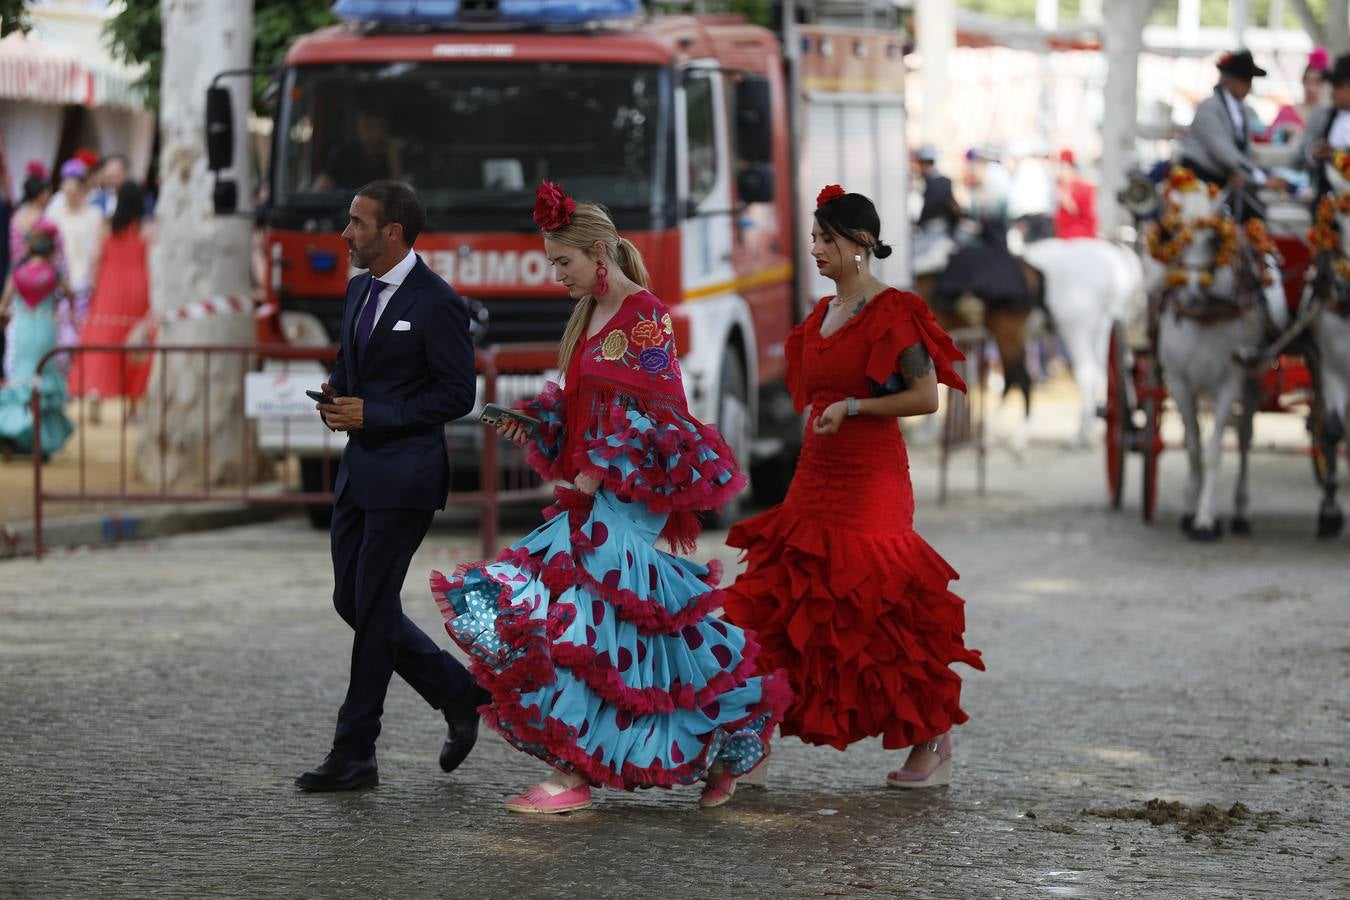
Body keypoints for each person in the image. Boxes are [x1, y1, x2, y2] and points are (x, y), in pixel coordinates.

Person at [429, 181, 787, 814]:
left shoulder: (646, 313)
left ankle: (575, 776)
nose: (556, 276)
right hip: (593, 489)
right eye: (551, 264)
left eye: (562, 263)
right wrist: (541, 426)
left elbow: (661, 417)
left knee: (577, 615)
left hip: (628, 491)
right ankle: (734, 723)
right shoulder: (586, 315)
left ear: (598, 252)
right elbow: (591, 406)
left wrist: (598, 468)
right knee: (627, 623)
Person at [723, 185, 984, 788]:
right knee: (780, 601)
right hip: (814, 480)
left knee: (878, 610)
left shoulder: (893, 311)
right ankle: (753, 735)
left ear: (858, 245)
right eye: (814, 239)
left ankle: (932, 736)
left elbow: (925, 398)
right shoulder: (819, 315)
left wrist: (856, 407)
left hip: (871, 485)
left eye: (824, 239)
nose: (814, 250)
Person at [295, 180, 486, 792]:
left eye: (357, 222)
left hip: (407, 476)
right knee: (351, 603)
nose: (345, 233)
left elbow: (458, 395)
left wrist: (375, 415)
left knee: (373, 608)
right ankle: (460, 693)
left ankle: (355, 751)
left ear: (393, 232)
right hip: (358, 472)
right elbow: (350, 368)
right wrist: (334, 397)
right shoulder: (356, 290)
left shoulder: (438, 302)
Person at [66, 182, 153, 420]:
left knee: (102, 339)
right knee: (136, 346)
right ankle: (133, 408)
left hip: (109, 288)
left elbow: (95, 260)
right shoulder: (147, 229)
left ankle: (95, 391)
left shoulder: (106, 227)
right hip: (138, 289)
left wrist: (94, 287)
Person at [1177, 49, 1288, 218]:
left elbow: (1244, 151)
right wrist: (1260, 178)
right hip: (1197, 184)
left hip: (1226, 184)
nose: (1249, 86)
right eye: (1246, 80)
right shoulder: (1208, 108)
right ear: (1231, 81)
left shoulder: (1243, 110)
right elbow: (1223, 151)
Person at [0, 220, 74, 459]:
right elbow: (70, 294)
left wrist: (6, 320)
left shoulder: (17, 273)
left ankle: (10, 434)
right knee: (43, 383)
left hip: (22, 331)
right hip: (45, 331)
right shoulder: (54, 273)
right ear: (51, 252)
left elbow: (3, 305)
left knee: (21, 382)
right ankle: (41, 442)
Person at [7, 162, 60, 382]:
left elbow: (13, 253)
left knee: (19, 338)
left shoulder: (15, 218)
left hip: (18, 280)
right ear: (40, 194)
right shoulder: (46, 222)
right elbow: (58, 256)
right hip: (43, 281)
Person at [46, 158, 105, 355]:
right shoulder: (54, 214)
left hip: (85, 284)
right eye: (66, 191)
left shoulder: (95, 215)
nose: (69, 196)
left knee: (82, 336)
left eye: (73, 191)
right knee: (60, 338)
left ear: (82, 190)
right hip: (60, 284)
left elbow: (98, 250)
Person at [1296, 53, 1350, 203]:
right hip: (1324, 199)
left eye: (1339, 87)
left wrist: (1336, 155)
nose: (1333, 92)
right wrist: (1314, 154)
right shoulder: (1320, 116)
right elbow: (1301, 156)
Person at [313, 110, 403, 191]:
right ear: (358, 128)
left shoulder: (391, 156)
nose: (375, 134)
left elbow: (399, 196)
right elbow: (320, 190)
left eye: (379, 127)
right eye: (368, 127)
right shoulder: (343, 153)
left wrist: (394, 160)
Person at [1266, 47, 1330, 146]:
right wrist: (1283, 130)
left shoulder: (1329, 115)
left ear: (1325, 85)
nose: (1311, 88)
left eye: (1317, 82)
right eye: (1308, 81)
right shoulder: (1287, 111)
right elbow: (1268, 137)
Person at [1052, 149, 1098, 239]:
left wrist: (1064, 197)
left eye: (1063, 168)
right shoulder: (1059, 186)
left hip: (1079, 234)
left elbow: (1077, 210)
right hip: (1063, 234)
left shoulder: (1082, 187)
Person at [915, 145, 960, 234]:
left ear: (922, 164)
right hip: (944, 229)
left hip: (930, 230)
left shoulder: (924, 182)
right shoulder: (946, 181)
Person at [89, 154, 129, 220]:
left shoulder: (132, 201)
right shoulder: (95, 198)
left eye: (115, 177)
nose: (112, 181)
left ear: (125, 174)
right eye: (109, 176)